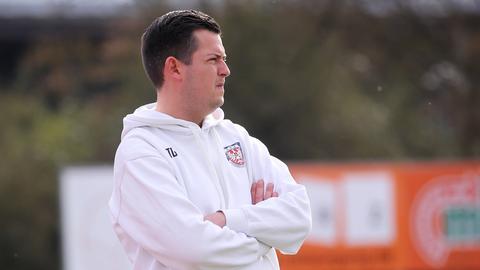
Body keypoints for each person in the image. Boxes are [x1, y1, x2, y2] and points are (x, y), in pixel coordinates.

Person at [109, 9, 311, 270]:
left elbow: (299, 217)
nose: (225, 70)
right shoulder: (140, 154)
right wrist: (264, 240)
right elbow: (195, 251)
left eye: (223, 59)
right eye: (213, 59)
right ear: (174, 68)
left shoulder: (237, 138)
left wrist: (226, 220)